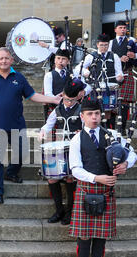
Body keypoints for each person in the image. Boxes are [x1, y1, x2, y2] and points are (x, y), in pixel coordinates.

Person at [0, 47, 61, 204]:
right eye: (0, 58)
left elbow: (32, 95)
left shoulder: (19, 78)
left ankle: (11, 172)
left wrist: (53, 100)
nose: (3, 61)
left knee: (22, 152)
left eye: (6, 58)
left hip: (17, 124)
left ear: (11, 60)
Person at [67, 98, 137, 257]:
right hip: (87, 189)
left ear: (102, 115)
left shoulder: (112, 135)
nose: (94, 117)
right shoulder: (76, 140)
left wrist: (125, 165)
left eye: (97, 113)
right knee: (84, 235)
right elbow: (75, 169)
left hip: (106, 192)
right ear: (82, 116)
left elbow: (132, 154)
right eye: (90, 114)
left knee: (100, 236)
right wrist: (98, 178)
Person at [38, 78, 86, 225]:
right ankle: (59, 210)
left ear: (78, 97)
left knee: (70, 178)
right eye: (66, 99)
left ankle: (70, 212)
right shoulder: (57, 109)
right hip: (59, 148)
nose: (69, 103)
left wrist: (82, 132)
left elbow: (88, 129)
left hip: (74, 149)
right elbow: (48, 124)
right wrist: (43, 132)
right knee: (52, 178)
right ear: (62, 95)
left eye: (72, 100)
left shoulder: (82, 110)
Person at [74, 33, 123, 128]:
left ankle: (108, 130)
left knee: (108, 115)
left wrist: (120, 77)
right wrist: (85, 72)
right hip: (95, 89)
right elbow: (77, 68)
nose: (104, 47)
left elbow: (119, 73)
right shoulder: (91, 56)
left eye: (106, 45)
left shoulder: (114, 56)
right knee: (95, 111)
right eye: (101, 45)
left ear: (108, 45)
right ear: (97, 45)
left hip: (109, 89)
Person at [109, 21, 137, 136]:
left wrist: (134, 55)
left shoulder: (131, 40)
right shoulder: (110, 43)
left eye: (124, 28)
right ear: (115, 29)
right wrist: (119, 59)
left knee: (124, 103)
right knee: (112, 102)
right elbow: (108, 56)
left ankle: (122, 128)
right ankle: (112, 128)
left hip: (127, 73)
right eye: (120, 28)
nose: (123, 30)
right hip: (114, 74)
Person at [42, 49, 72, 122]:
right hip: (55, 108)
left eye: (63, 59)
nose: (60, 61)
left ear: (68, 62)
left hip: (71, 109)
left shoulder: (71, 75)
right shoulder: (49, 75)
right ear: (55, 60)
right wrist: (62, 100)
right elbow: (48, 94)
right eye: (58, 58)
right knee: (57, 132)